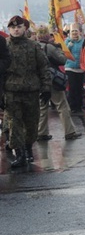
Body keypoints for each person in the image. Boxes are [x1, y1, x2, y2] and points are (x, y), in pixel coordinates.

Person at [3, 16, 52, 169]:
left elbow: (44, 67)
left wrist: (46, 88)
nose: (16, 30)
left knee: (31, 123)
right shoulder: (4, 46)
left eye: (18, 27)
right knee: (14, 124)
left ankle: (29, 148)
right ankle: (20, 154)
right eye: (13, 27)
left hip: (31, 90)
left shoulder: (34, 46)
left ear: (24, 28)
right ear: (9, 29)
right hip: (12, 91)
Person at [35, 25, 82, 142]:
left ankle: (41, 132)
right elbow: (63, 60)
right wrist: (59, 49)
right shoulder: (49, 47)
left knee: (42, 107)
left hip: (38, 80)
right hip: (51, 80)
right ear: (47, 35)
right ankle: (69, 131)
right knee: (62, 106)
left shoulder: (34, 47)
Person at [65, 23, 85, 114]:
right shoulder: (67, 41)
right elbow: (64, 52)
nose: (74, 33)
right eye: (72, 31)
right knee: (72, 87)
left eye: (76, 31)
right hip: (70, 67)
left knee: (79, 88)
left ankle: (79, 106)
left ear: (79, 32)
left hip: (80, 68)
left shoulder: (82, 42)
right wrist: (69, 46)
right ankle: (72, 106)